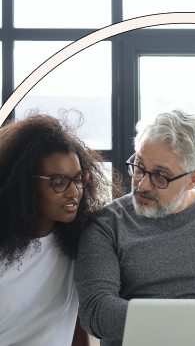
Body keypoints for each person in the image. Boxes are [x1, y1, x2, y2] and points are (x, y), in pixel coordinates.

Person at [75, 109, 195, 346]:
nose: (141, 183)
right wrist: (187, 325)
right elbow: (96, 312)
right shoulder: (105, 225)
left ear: (193, 179)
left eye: (160, 175)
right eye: (139, 166)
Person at [0, 111, 120, 346]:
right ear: (23, 185)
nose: (74, 192)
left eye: (77, 179)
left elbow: (75, 325)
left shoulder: (80, 240)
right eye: (58, 182)